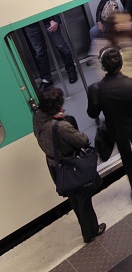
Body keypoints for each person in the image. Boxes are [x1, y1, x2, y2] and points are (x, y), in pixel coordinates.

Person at [34, 86, 106, 243]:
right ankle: (91, 231)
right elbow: (83, 140)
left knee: (73, 199)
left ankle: (85, 225)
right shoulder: (61, 126)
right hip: (71, 165)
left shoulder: (38, 118)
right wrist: (62, 120)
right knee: (84, 200)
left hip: (55, 166)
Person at [87, 47, 132, 204]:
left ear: (102, 66)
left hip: (116, 131)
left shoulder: (96, 89)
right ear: (121, 64)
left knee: (127, 161)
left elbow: (92, 113)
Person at [24, 15, 78, 90]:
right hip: (29, 23)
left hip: (48, 19)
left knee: (61, 46)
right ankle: (46, 79)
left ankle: (71, 70)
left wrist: (55, 19)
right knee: (39, 52)